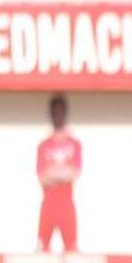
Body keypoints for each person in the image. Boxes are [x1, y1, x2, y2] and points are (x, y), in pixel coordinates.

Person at [37, 94, 81, 253]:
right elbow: (42, 177)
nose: (58, 114)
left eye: (61, 110)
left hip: (66, 202)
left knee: (72, 249)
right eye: (55, 111)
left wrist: (53, 171)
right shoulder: (43, 145)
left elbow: (74, 173)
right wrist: (62, 171)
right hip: (49, 202)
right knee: (42, 249)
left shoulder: (74, 144)